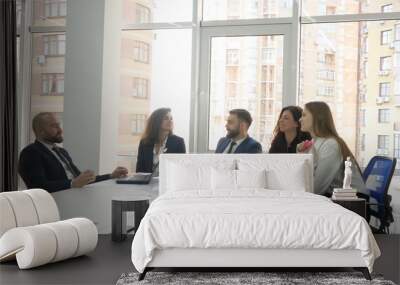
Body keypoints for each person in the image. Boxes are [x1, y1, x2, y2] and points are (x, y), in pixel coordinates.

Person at [19, 112, 128, 193]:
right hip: (54, 204)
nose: (60, 130)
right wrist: (72, 184)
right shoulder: (30, 153)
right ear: (40, 132)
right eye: (54, 126)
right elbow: (38, 187)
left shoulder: (61, 152)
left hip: (74, 196)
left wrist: (111, 175)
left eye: (59, 125)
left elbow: (80, 180)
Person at [297, 101, 367, 197]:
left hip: (354, 200)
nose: (300, 119)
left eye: (304, 115)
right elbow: (306, 179)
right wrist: (302, 155)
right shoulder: (315, 142)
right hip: (338, 196)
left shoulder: (330, 145)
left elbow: (316, 188)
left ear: (317, 118)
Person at [136, 108, 186, 176]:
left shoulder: (178, 142)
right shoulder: (144, 142)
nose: (170, 121)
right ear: (156, 121)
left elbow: (181, 170)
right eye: (166, 118)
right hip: (147, 184)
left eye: (171, 118)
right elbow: (139, 170)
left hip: (168, 184)